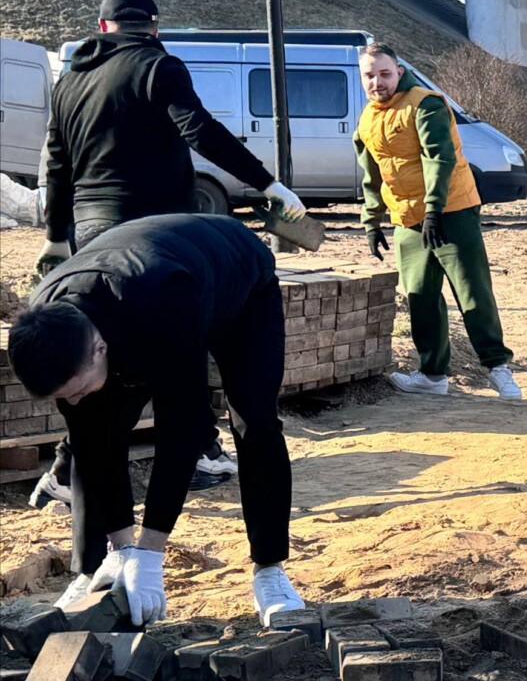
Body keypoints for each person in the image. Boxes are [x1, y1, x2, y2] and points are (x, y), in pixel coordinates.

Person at [30, 0, 306, 512]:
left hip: (93, 236)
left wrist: (55, 236)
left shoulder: (70, 80)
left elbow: (58, 166)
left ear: (102, 25)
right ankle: (196, 451)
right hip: (155, 232)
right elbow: (198, 130)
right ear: (154, 27)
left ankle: (72, 468)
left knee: (106, 354)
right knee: (184, 338)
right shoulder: (160, 66)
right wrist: (267, 182)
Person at [9, 213, 307, 626]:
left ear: (98, 348)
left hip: (235, 284)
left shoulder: (164, 301)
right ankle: (94, 568)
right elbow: (90, 441)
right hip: (144, 281)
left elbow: (183, 427)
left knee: (253, 420)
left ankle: (270, 571)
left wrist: (148, 553)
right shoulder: (48, 319)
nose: (72, 400)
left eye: (75, 387)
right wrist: (121, 546)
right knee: (91, 431)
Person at [355, 42, 522, 401]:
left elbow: (439, 159)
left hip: (452, 210)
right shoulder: (368, 116)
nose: (377, 82)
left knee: (472, 289)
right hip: (407, 218)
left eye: (384, 74)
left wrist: (434, 210)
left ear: (398, 71)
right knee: (421, 296)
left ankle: (497, 368)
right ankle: (432, 374)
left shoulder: (425, 103)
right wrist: (372, 220)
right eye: (369, 76)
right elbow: (371, 173)